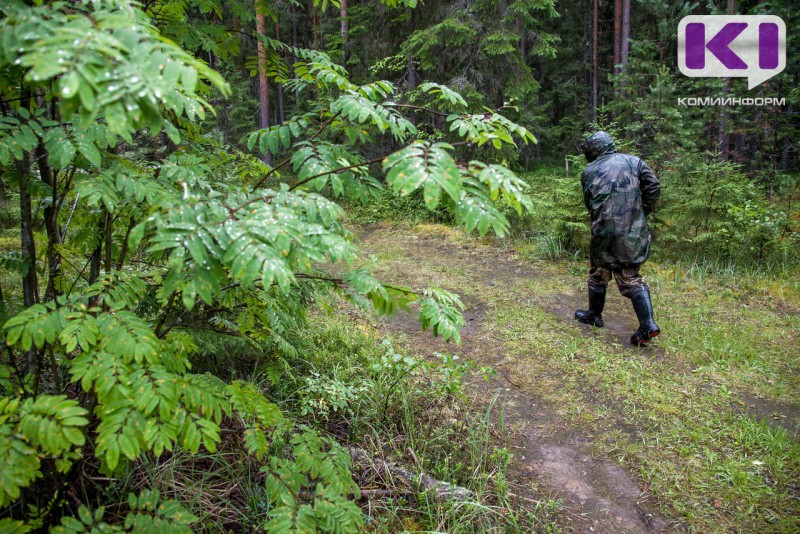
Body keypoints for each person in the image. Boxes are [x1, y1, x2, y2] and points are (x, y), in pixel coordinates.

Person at [574, 131, 661, 346]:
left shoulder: (588, 171)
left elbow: (590, 202)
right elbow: (653, 187)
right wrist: (639, 213)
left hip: (603, 230)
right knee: (629, 276)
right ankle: (646, 324)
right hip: (631, 231)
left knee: (598, 273)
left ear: (593, 149)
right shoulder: (634, 162)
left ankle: (595, 314)